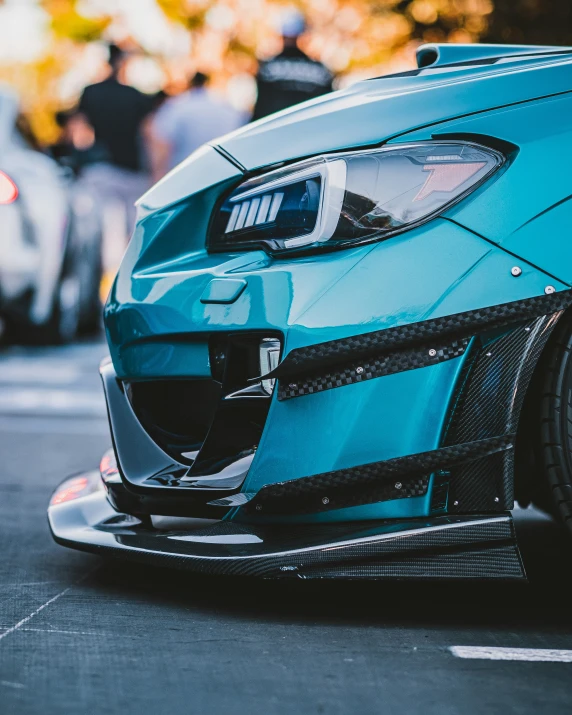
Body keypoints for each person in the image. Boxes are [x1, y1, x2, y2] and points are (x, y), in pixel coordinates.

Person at [78, 44, 153, 237]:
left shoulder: (90, 92)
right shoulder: (135, 95)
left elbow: (79, 133)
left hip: (100, 166)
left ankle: (107, 264)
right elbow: (149, 134)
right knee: (132, 227)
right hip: (132, 168)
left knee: (102, 226)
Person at [150, 72, 244, 182]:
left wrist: (157, 175)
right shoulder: (227, 108)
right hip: (222, 175)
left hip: (184, 175)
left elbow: (162, 144)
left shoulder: (177, 107)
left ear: (190, 83)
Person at [252, 10, 333, 121]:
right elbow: (327, 109)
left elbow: (260, 107)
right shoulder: (320, 70)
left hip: (276, 131)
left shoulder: (268, 68)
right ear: (303, 34)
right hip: (309, 131)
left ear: (281, 34)